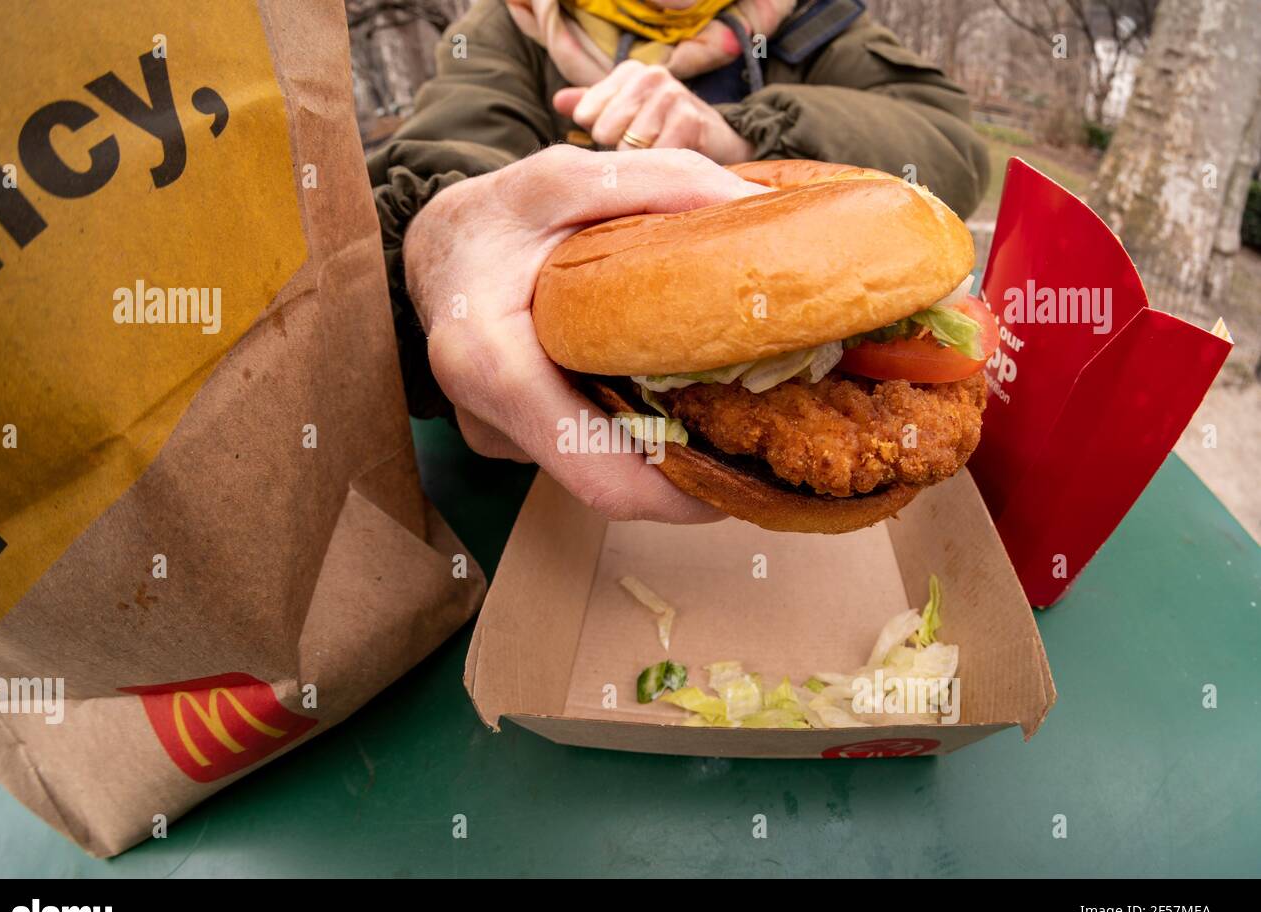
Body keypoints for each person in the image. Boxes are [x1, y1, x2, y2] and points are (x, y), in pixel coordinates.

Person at [369, 0, 989, 523]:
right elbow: (442, 147)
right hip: (514, 493)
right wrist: (436, 234)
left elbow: (953, 145)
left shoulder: (814, 22)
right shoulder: (511, 25)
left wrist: (736, 135)